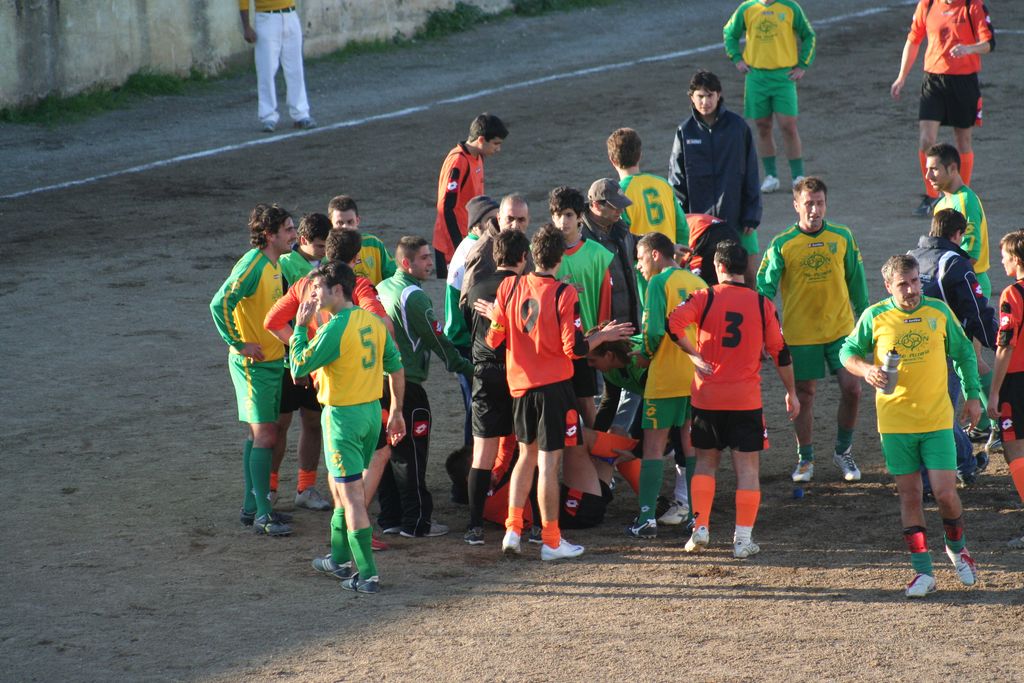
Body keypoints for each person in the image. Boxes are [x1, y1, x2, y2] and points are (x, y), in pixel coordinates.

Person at [474, 225, 633, 561]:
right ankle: (551, 540)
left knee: (525, 458)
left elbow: (493, 339)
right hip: (553, 390)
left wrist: (500, 318)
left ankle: (513, 530)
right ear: (560, 258)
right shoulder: (564, 293)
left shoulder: (509, 287)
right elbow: (574, 349)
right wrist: (603, 336)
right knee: (548, 464)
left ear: (532, 255)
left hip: (521, 389)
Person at [841, 254, 981, 598]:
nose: (912, 289)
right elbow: (847, 352)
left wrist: (972, 395)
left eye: (916, 281)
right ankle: (923, 572)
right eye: (903, 284)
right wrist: (866, 370)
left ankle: (957, 549)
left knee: (946, 494)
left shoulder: (938, 311)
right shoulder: (875, 316)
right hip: (895, 423)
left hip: (936, 421)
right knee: (911, 495)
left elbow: (964, 352)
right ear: (888, 286)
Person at [265, 227, 397, 550]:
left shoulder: (306, 284)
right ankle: (357, 523)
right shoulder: (357, 286)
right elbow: (383, 326)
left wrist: (307, 350)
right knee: (378, 453)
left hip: (321, 380)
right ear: (357, 258)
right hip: (353, 389)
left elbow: (272, 321)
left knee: (336, 458)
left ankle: (338, 519)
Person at [669, 240, 798, 559]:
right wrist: (791, 392)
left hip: (707, 398)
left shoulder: (704, 297)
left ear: (719, 266)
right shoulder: (762, 304)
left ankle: (700, 527)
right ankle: (742, 540)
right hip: (745, 400)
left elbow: (672, 323)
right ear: (745, 268)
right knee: (748, 470)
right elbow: (780, 352)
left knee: (705, 464)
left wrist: (694, 355)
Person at [289, 261, 406, 594]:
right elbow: (396, 368)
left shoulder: (334, 328)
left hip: (342, 419)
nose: (313, 295)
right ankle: (339, 560)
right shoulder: (373, 322)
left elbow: (298, 367)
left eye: (318, 289)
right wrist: (396, 411)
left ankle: (367, 575)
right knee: (344, 490)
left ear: (337, 290)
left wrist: (300, 328)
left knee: (352, 496)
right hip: (371, 413)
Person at [756, 177, 869, 483]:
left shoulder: (842, 236)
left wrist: (866, 324)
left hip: (841, 331)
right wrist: (763, 331)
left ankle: (843, 451)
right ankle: (805, 459)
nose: (815, 209)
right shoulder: (782, 244)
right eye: (808, 203)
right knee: (804, 395)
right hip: (801, 335)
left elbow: (857, 281)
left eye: (819, 203)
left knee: (853, 389)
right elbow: (764, 291)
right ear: (796, 205)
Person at [376, 236, 474, 537]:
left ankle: (390, 517)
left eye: (430, 256)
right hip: (407, 385)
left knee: (386, 452)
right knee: (411, 455)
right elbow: (438, 341)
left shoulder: (382, 287)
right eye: (424, 258)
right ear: (407, 263)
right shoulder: (414, 297)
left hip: (377, 384)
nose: (431, 263)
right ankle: (417, 522)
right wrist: (467, 368)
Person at [210, 203, 297, 536]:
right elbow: (220, 302)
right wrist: (238, 343)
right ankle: (263, 514)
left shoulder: (274, 264)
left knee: (259, 434)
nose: (294, 234)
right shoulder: (253, 265)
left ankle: (252, 507)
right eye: (288, 229)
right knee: (265, 435)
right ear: (270, 235)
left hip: (271, 362)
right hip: (253, 365)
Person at [909, 208, 997, 488]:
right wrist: (997, 340)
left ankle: (963, 464)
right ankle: (948, 472)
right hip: (945, 349)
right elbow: (976, 310)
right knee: (941, 413)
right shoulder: (955, 263)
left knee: (932, 410)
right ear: (957, 234)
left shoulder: (911, 257)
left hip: (911, 347)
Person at [628, 232, 707, 538]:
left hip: (665, 378)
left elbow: (654, 331)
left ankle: (646, 519)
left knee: (654, 446)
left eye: (640, 258)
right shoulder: (699, 282)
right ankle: (696, 518)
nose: (638, 265)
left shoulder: (658, 283)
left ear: (656, 254)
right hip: (695, 378)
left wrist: (644, 356)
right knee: (690, 446)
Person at [890, 0, 993, 216]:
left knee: (963, 141)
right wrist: (901, 77)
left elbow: (989, 43)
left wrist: (968, 49)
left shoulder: (972, 5)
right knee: (926, 140)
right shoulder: (927, 5)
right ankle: (933, 197)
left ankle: (961, 197)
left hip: (964, 82)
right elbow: (913, 40)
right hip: (933, 81)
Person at [461, 229, 530, 545]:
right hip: (517, 375)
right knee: (529, 451)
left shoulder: (476, 288)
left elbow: (468, 327)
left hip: (484, 374)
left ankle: (474, 526)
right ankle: (530, 523)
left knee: (482, 455)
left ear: (494, 255)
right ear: (524, 258)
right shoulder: (524, 288)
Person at [926, 142, 995, 440]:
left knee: (971, 359)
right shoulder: (941, 204)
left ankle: (998, 420)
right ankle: (987, 423)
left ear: (952, 168)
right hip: (952, 287)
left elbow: (972, 253)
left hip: (969, 285)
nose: (928, 175)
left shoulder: (966, 200)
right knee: (964, 358)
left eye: (934, 169)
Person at [669, 70, 760, 284]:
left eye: (710, 95)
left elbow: (751, 172)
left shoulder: (737, 127)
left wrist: (752, 213)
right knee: (705, 279)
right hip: (701, 227)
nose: (705, 101)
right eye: (700, 96)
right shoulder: (685, 132)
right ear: (691, 97)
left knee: (748, 276)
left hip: (738, 217)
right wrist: (683, 221)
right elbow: (677, 181)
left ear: (719, 95)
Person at [267, 212, 331, 511]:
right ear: (304, 241)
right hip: (286, 360)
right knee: (279, 424)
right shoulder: (285, 266)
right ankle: (270, 488)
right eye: (319, 246)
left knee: (313, 421)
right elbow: (276, 315)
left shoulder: (328, 267)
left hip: (316, 361)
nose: (323, 251)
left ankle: (305, 487)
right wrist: (297, 350)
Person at [723, 0, 815, 193]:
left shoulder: (790, 7)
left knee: (788, 125)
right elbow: (729, 33)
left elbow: (809, 35)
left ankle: (798, 176)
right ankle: (771, 176)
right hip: (756, 78)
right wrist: (737, 58)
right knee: (762, 126)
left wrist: (802, 65)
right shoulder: (747, 8)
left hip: (783, 77)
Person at [550, 186, 614, 429]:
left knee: (586, 404)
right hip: (552, 344)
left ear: (579, 217)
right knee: (557, 405)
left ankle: (594, 448)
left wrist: (599, 339)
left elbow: (605, 300)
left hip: (584, 342)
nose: (562, 221)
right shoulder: (542, 254)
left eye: (568, 215)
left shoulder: (598, 254)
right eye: (557, 215)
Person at [433, 113, 509, 277]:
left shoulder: (477, 157)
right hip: (453, 243)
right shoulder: (458, 162)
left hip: (471, 237)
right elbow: (446, 207)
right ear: (481, 140)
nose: (498, 149)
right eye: (496, 143)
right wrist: (459, 246)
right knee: (459, 287)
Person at [987, 230, 1024, 549]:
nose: (1001, 262)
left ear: (1016, 259)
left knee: (1016, 452)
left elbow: (1005, 346)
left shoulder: (1012, 294)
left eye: (1003, 257)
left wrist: (994, 392)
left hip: (1017, 382)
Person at [239, 1, 314, 132]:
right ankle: (268, 116)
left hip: (290, 14)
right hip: (267, 17)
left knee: (295, 68)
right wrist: (246, 27)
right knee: (266, 70)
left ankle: (301, 113)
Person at [607, 128, 687, 245]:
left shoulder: (618, 193)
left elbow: (623, 236)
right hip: (669, 253)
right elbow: (682, 227)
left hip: (641, 255)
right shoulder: (663, 184)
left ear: (612, 160)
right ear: (640, 156)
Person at [460, 193, 530, 307]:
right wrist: (496, 312)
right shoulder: (482, 253)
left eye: (521, 220)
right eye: (510, 219)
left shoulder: (525, 246)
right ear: (499, 218)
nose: (515, 225)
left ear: (528, 221)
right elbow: (468, 302)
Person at [327, 195, 396, 285]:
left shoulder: (374, 244)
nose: (346, 227)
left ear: (357, 220)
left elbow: (393, 276)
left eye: (350, 222)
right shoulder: (327, 251)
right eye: (340, 223)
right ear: (330, 223)